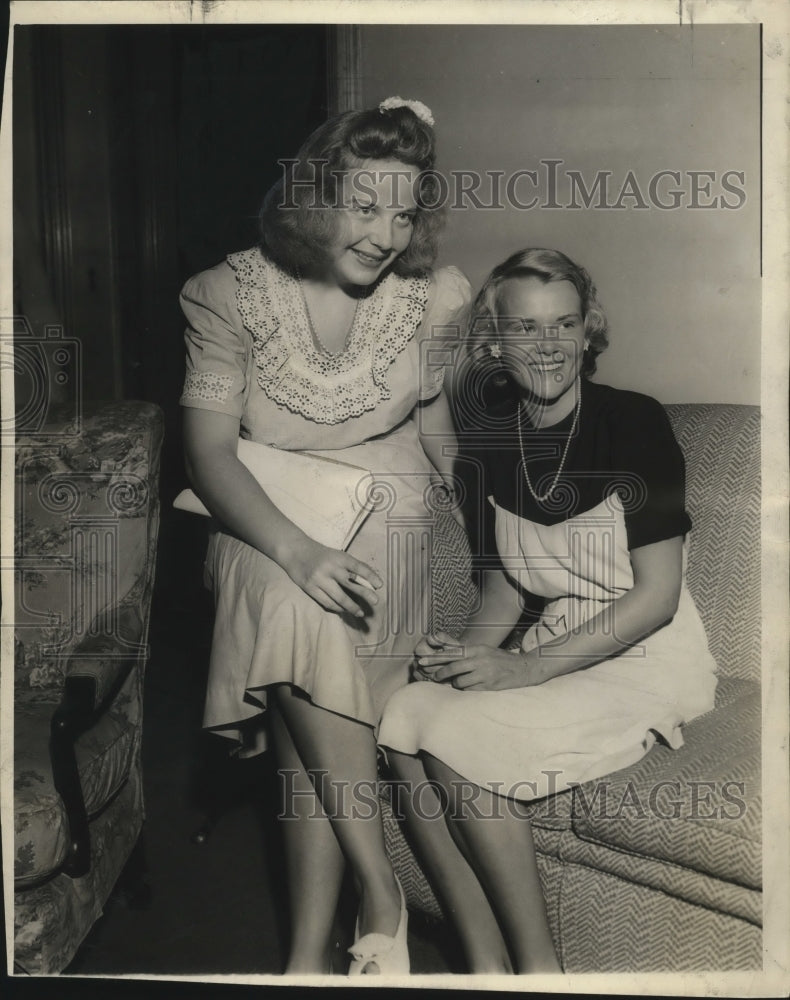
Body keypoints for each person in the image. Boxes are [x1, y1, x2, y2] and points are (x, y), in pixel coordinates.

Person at [179, 99, 471, 976]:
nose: (385, 235)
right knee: (294, 605)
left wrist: (476, 511)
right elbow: (207, 455)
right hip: (261, 510)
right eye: (364, 205)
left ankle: (306, 960)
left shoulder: (433, 298)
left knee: (306, 708)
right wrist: (298, 552)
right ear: (312, 196)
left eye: (404, 214)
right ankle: (382, 893)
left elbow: (435, 424)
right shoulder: (226, 295)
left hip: (390, 514)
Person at [378, 247, 718, 974]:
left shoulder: (633, 422)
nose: (549, 345)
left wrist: (524, 670)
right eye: (526, 328)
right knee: (403, 711)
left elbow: (656, 597)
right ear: (494, 341)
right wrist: (459, 659)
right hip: (557, 646)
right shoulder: (490, 440)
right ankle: (485, 964)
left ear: (588, 331)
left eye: (564, 323)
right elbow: (505, 591)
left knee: (453, 737)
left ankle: (540, 972)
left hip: (645, 655)